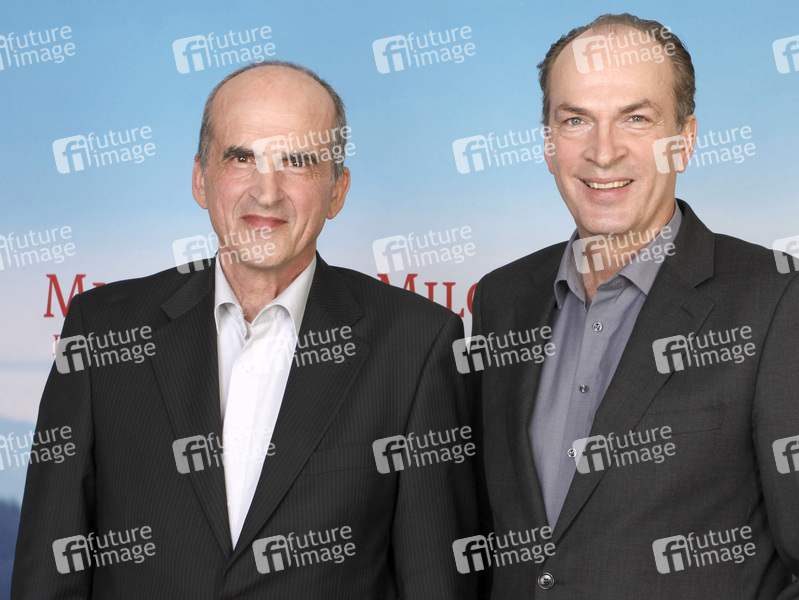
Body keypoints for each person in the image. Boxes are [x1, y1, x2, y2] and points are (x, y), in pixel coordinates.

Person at [13, 60, 478, 599]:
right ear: (200, 178)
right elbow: (50, 571)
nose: (267, 192)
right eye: (241, 158)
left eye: (298, 161)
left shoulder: (417, 344)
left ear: (337, 190)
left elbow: (435, 581)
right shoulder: (100, 329)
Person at [469, 14, 799, 598]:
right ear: (547, 143)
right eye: (575, 120)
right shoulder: (501, 301)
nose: (603, 152)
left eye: (636, 119)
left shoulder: (780, 302)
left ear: (684, 141)